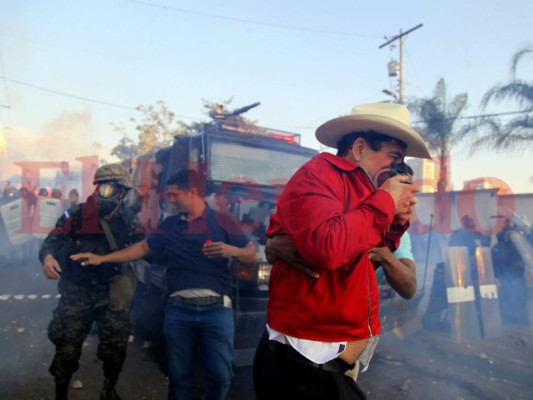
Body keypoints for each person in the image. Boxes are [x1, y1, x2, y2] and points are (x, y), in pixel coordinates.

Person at [252, 102, 431, 400]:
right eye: (393, 158)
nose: (396, 169)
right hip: (303, 366)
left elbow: (360, 262)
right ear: (360, 148)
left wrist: (397, 222)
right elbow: (328, 249)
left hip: (326, 365)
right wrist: (385, 202)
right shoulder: (319, 175)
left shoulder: (365, 192)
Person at [71, 168, 258, 400]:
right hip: (178, 311)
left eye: (174, 194)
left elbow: (251, 255)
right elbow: (141, 249)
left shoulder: (222, 221)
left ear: (193, 192)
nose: (170, 199)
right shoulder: (170, 224)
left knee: (221, 375)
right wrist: (101, 258)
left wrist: (231, 250)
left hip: (216, 311)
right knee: (179, 378)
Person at [39, 164, 144, 400]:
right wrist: (47, 258)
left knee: (116, 346)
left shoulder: (129, 221)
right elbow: (51, 241)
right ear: (97, 187)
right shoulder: (75, 214)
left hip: (111, 293)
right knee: (67, 347)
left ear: (123, 193)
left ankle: (109, 388)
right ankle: (60, 394)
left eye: (116, 189)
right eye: (105, 187)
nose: (109, 193)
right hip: (77, 291)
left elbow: (145, 247)